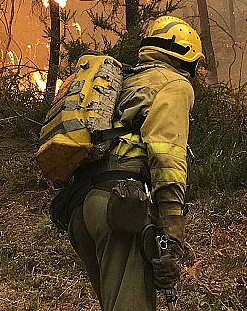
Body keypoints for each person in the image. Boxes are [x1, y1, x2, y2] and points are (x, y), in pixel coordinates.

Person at [65, 16, 203, 311]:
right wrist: (173, 229)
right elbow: (167, 158)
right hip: (122, 209)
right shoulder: (174, 85)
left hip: (83, 207)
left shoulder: (125, 81)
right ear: (186, 59)